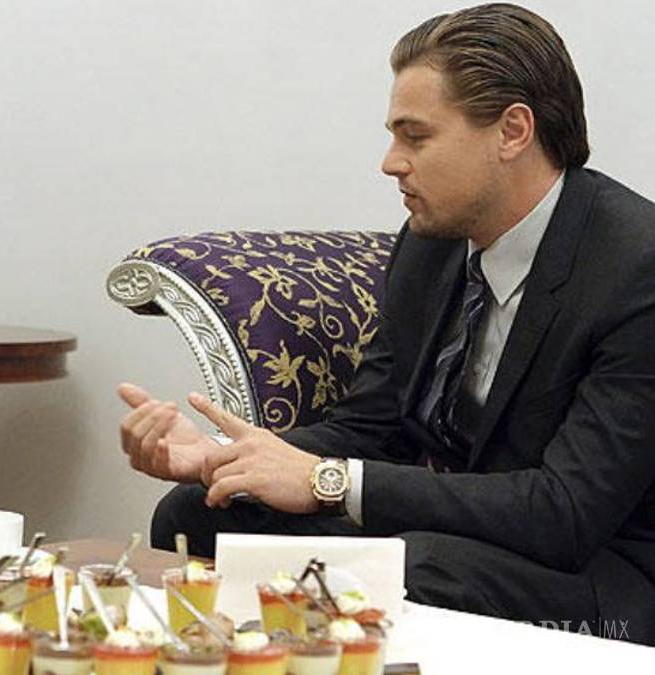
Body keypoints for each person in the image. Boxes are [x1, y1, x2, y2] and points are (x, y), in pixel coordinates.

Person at [119, 3, 655, 645]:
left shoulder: (637, 268)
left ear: (513, 131)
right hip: (459, 539)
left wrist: (328, 482)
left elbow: (565, 511)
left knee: (414, 570)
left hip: (604, 573)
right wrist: (229, 459)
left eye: (415, 137)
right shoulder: (431, 246)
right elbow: (370, 429)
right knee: (202, 514)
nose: (391, 162)